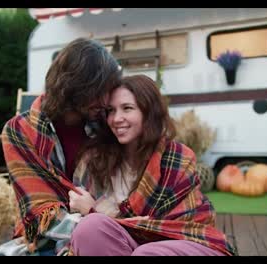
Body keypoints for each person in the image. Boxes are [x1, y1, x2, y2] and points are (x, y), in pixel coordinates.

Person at [68, 75, 236, 256]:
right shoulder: (95, 160)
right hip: (128, 245)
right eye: (110, 111)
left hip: (184, 243)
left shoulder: (176, 158)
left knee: (147, 252)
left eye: (127, 108)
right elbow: (80, 220)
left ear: (149, 112)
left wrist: (97, 209)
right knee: (89, 227)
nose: (116, 118)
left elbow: (169, 228)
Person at [0, 38, 121, 256]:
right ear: (73, 85)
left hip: (106, 231)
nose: (105, 100)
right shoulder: (20, 130)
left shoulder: (104, 124)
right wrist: (99, 223)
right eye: (97, 91)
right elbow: (41, 213)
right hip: (48, 238)